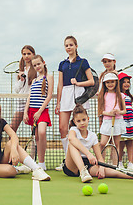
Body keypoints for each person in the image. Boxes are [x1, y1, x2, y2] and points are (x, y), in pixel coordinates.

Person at [63, 104, 133, 183]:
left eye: (84, 119)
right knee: (72, 144)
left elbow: (99, 157)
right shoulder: (73, 130)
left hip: (87, 164)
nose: (82, 123)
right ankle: (82, 172)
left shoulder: (93, 136)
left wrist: (101, 168)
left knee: (113, 172)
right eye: (78, 121)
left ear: (88, 119)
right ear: (75, 122)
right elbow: (72, 139)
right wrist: (88, 154)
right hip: (71, 166)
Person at [55, 35, 94, 170]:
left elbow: (91, 81)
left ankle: (81, 158)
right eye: (66, 45)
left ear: (76, 46)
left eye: (71, 45)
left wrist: (78, 83)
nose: (68, 47)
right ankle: (67, 160)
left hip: (79, 95)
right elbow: (60, 84)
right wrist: (58, 102)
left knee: (80, 126)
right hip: (65, 95)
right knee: (62, 128)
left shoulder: (83, 62)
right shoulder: (62, 64)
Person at [23, 55, 54, 170]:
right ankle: (37, 162)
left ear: (43, 63)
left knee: (41, 133)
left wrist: (40, 111)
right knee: (36, 136)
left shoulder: (49, 77)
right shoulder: (34, 80)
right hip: (32, 111)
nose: (37, 66)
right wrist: (25, 112)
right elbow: (29, 98)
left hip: (42, 111)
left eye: (38, 64)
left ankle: (42, 162)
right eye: (34, 65)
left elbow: (49, 95)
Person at [98, 72, 126, 158]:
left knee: (115, 145)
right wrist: (109, 113)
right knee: (102, 143)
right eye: (107, 82)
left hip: (118, 121)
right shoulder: (102, 95)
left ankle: (114, 166)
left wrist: (118, 111)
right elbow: (100, 111)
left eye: (112, 82)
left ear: (116, 82)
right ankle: (101, 164)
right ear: (104, 83)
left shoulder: (121, 95)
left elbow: (124, 111)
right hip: (107, 122)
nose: (110, 84)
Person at [10, 45, 37, 132]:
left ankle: (34, 146)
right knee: (12, 128)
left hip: (33, 101)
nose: (26, 56)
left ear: (33, 54)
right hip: (21, 102)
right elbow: (16, 89)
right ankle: (12, 145)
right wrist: (21, 79)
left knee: (34, 130)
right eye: (24, 54)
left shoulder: (37, 68)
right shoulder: (19, 70)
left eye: (28, 54)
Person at [118, 72, 133, 170]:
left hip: (130, 121)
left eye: (128, 82)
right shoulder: (117, 95)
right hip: (122, 120)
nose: (127, 84)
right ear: (119, 83)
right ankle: (120, 162)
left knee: (130, 142)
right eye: (124, 82)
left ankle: (130, 163)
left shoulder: (129, 96)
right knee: (121, 142)